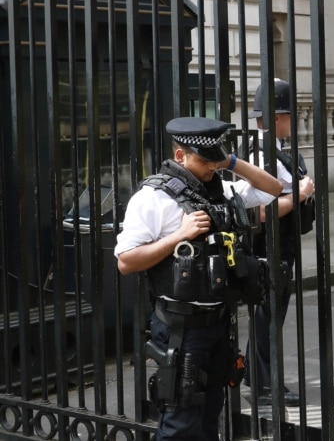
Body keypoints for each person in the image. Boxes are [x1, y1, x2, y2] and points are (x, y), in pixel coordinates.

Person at [114, 116, 282, 441]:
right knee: (180, 425)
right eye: (206, 159)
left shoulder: (221, 191)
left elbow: (273, 189)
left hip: (218, 327)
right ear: (181, 156)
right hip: (181, 330)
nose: (213, 167)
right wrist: (180, 235)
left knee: (208, 420)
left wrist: (230, 161)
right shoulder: (153, 197)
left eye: (217, 158)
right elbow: (126, 261)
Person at [244, 78, 316, 406]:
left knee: (270, 314)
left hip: (280, 243)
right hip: (267, 245)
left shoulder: (275, 151)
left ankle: (254, 374)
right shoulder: (260, 153)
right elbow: (259, 212)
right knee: (267, 315)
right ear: (274, 117)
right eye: (289, 113)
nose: (294, 119)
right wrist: (300, 194)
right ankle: (263, 384)